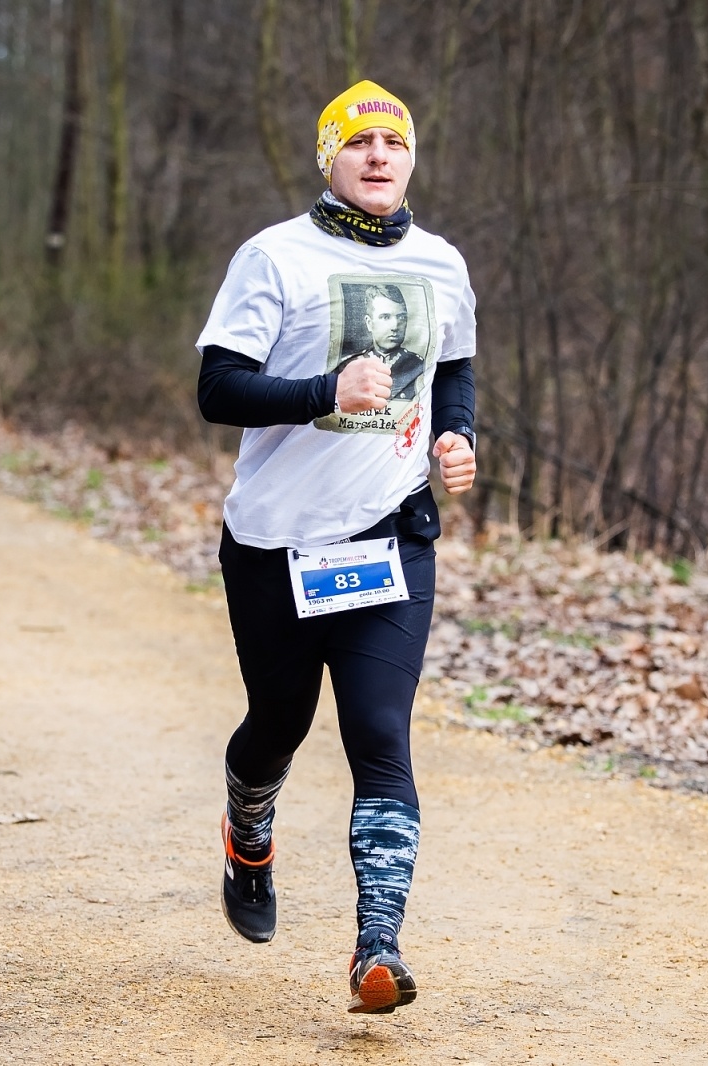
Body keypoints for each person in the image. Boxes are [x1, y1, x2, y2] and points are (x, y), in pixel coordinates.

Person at [194, 80, 478, 1015]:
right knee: (279, 722)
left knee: (380, 736)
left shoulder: (441, 263)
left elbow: (457, 368)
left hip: (391, 537)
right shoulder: (273, 256)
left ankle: (378, 948)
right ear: (331, 158)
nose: (378, 156)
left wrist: (458, 438)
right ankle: (249, 827)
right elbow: (219, 389)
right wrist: (321, 391)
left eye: (393, 144)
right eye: (359, 143)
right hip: (275, 540)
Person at [332, 283, 425, 401]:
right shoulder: (348, 365)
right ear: (369, 323)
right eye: (385, 317)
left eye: (401, 317)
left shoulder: (418, 364)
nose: (395, 326)